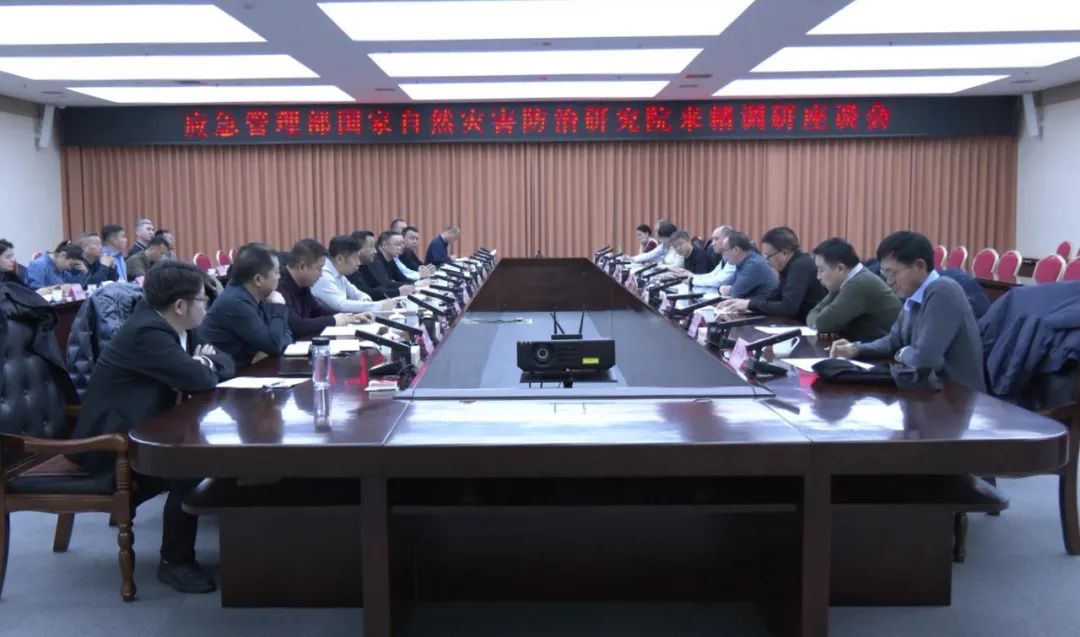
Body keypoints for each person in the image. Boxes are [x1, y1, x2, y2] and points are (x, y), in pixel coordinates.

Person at [70, 260, 234, 594]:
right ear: (180, 305)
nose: (207, 306)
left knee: (208, 456)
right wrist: (202, 363)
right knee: (192, 467)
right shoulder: (147, 333)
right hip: (109, 445)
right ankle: (175, 562)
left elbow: (225, 362)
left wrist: (204, 362)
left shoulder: (179, 325)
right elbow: (201, 377)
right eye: (203, 300)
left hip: (145, 429)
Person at [830, 231, 986, 392]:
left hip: (959, 396)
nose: (889, 281)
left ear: (919, 266)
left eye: (893, 273)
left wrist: (902, 353)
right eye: (885, 273)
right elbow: (893, 341)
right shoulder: (914, 295)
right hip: (929, 390)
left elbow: (925, 359)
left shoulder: (943, 291)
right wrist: (856, 349)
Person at [197, 243, 293, 367]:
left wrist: (269, 348)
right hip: (227, 374)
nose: (279, 277)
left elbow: (287, 334)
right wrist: (279, 306)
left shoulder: (259, 295)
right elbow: (274, 344)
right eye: (276, 272)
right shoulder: (235, 302)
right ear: (258, 280)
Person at [718, 226, 826, 322]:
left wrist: (749, 304)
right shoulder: (789, 265)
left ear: (784, 253)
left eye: (768, 256)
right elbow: (774, 297)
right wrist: (744, 303)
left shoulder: (800, 266)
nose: (766, 260)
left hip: (810, 328)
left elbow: (788, 307)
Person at [805, 238, 901, 341]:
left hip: (888, 348)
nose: (818, 277)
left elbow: (821, 324)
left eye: (821, 270)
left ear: (840, 268)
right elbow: (814, 314)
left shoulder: (859, 284)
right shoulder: (849, 280)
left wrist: (823, 325)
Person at [277, 238, 372, 339]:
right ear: (303, 267)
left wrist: (350, 317)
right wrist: (334, 320)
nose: (321, 274)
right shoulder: (279, 285)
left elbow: (317, 311)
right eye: (319, 268)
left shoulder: (303, 284)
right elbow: (296, 326)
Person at [312, 234, 392, 313]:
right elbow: (341, 305)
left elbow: (357, 293)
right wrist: (379, 306)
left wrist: (366, 301)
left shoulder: (338, 273)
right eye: (355, 258)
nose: (359, 262)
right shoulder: (323, 275)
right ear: (340, 259)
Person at [716, 231, 777, 301]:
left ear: (736, 250)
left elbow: (736, 292)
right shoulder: (741, 263)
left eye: (724, 250)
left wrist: (729, 290)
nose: (722, 254)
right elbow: (726, 284)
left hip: (766, 306)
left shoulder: (754, 265)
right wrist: (728, 289)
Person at [361, 231, 417, 298]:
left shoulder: (390, 259)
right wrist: (415, 284)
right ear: (384, 245)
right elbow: (386, 284)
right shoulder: (375, 260)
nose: (401, 247)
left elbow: (401, 278)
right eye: (397, 244)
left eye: (402, 244)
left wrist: (416, 283)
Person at [688, 225, 736, 293]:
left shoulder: (734, 258)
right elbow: (713, 275)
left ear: (727, 240)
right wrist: (691, 277)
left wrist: (692, 280)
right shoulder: (724, 259)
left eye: (716, 239)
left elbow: (720, 281)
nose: (712, 244)